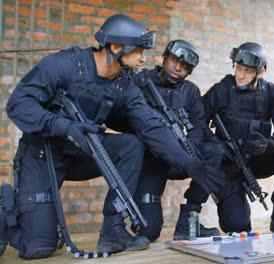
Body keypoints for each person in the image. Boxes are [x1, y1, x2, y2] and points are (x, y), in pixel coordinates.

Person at [0, 14, 224, 259]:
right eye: (138, 50)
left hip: (83, 151)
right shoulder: (63, 65)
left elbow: (151, 126)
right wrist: (63, 126)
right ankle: (5, 209)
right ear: (116, 47)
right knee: (38, 248)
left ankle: (113, 230)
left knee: (131, 144)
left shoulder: (124, 85)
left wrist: (188, 163)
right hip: (43, 156)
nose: (143, 58)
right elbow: (18, 104)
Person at [202, 42, 274, 233]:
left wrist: (267, 145)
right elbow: (197, 121)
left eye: (247, 71)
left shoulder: (272, 92)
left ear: (261, 72)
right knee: (237, 226)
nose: (240, 75)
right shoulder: (221, 90)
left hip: (257, 159)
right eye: (238, 68)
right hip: (228, 164)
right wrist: (218, 146)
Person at [129, 39, 222, 241]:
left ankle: (189, 218)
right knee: (148, 232)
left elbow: (199, 125)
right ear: (165, 58)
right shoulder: (140, 81)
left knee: (215, 150)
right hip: (151, 159)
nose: (177, 68)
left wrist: (190, 148)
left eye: (185, 66)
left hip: (182, 158)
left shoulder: (190, 91)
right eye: (174, 60)